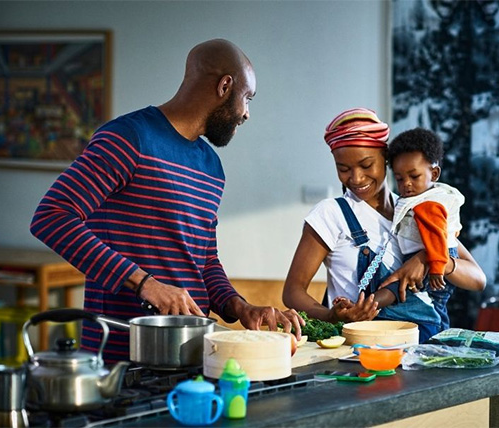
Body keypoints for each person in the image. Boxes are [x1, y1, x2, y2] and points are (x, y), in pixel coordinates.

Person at [31, 39, 303, 364]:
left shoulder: (211, 166)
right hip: (121, 356)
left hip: (192, 353)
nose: (246, 113)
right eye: (246, 98)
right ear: (224, 86)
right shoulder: (128, 138)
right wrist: (145, 284)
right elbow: (51, 217)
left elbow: (204, 261)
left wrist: (240, 307)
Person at [282, 108, 485, 342]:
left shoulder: (416, 211)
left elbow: (478, 279)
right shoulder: (331, 213)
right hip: (360, 349)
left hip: (422, 344)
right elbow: (293, 292)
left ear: (386, 159)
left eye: (367, 165)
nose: (356, 178)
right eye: (344, 169)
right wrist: (331, 316)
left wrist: (431, 258)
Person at [335, 127, 466, 331]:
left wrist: (433, 262)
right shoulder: (409, 202)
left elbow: (437, 236)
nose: (407, 184)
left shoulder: (428, 203)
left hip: (437, 258)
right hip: (428, 257)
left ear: (434, 173)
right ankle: (364, 306)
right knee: (399, 287)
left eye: (414, 177)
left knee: (430, 307)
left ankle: (364, 307)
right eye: (400, 178)